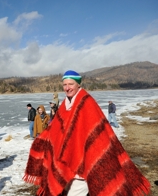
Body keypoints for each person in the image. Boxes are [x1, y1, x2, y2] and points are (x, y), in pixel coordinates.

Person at [23, 70, 151, 196]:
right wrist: (42, 140)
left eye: (71, 84)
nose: (67, 88)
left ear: (79, 84)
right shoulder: (64, 105)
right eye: (65, 85)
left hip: (83, 166)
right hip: (65, 162)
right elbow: (56, 130)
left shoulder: (87, 103)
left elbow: (96, 136)